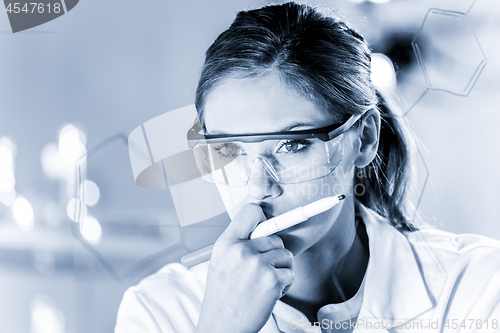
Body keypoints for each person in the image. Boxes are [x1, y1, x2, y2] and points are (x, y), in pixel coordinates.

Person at [115, 2, 500, 332]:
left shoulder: (478, 286)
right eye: (230, 151)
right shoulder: (159, 311)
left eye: (294, 145)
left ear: (364, 139)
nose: (259, 187)